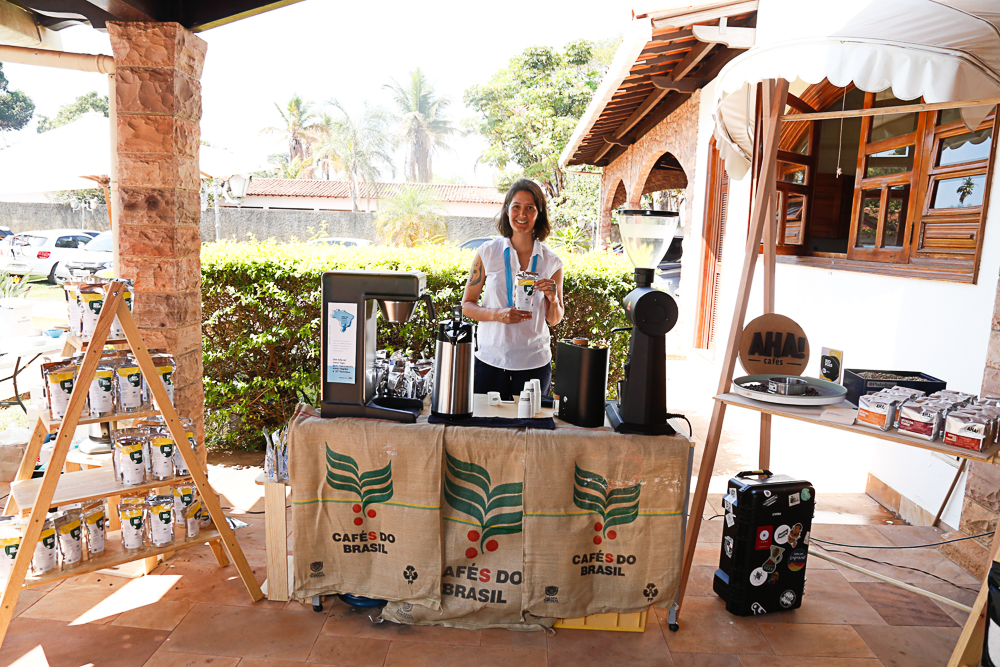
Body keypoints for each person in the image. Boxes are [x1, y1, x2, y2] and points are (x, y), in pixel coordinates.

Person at [461, 179, 565, 400]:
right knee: (486, 422)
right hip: (490, 361)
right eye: (516, 206)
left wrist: (553, 300)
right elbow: (467, 306)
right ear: (507, 210)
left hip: (534, 364)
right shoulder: (487, 252)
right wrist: (496, 314)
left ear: (539, 213)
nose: (522, 214)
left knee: (531, 423)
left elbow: (554, 319)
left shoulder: (552, 261)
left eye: (530, 208)